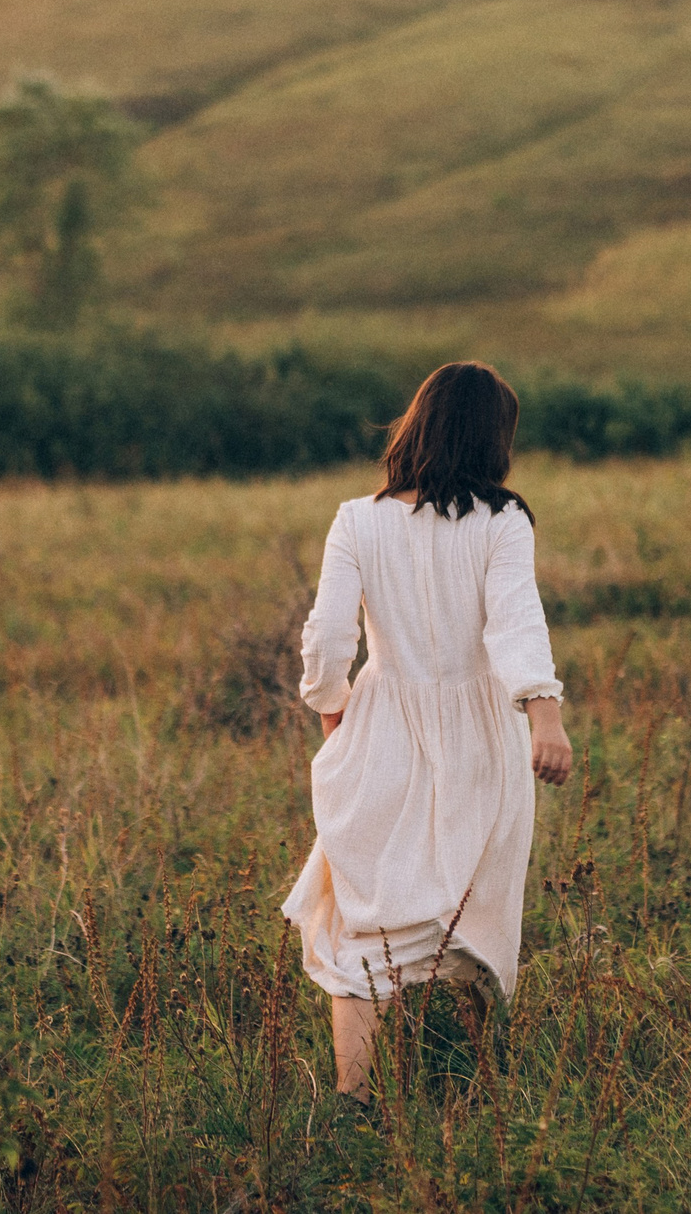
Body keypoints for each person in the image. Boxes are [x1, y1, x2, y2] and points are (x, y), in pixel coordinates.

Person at [281, 360, 573, 1100]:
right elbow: (516, 621)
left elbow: (325, 635)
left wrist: (331, 704)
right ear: (491, 440)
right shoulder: (503, 520)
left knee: (363, 917)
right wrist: (544, 713)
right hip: (480, 734)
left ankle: (355, 1098)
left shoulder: (357, 519)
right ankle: (481, 1087)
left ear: (416, 425)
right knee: (471, 905)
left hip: (381, 723)